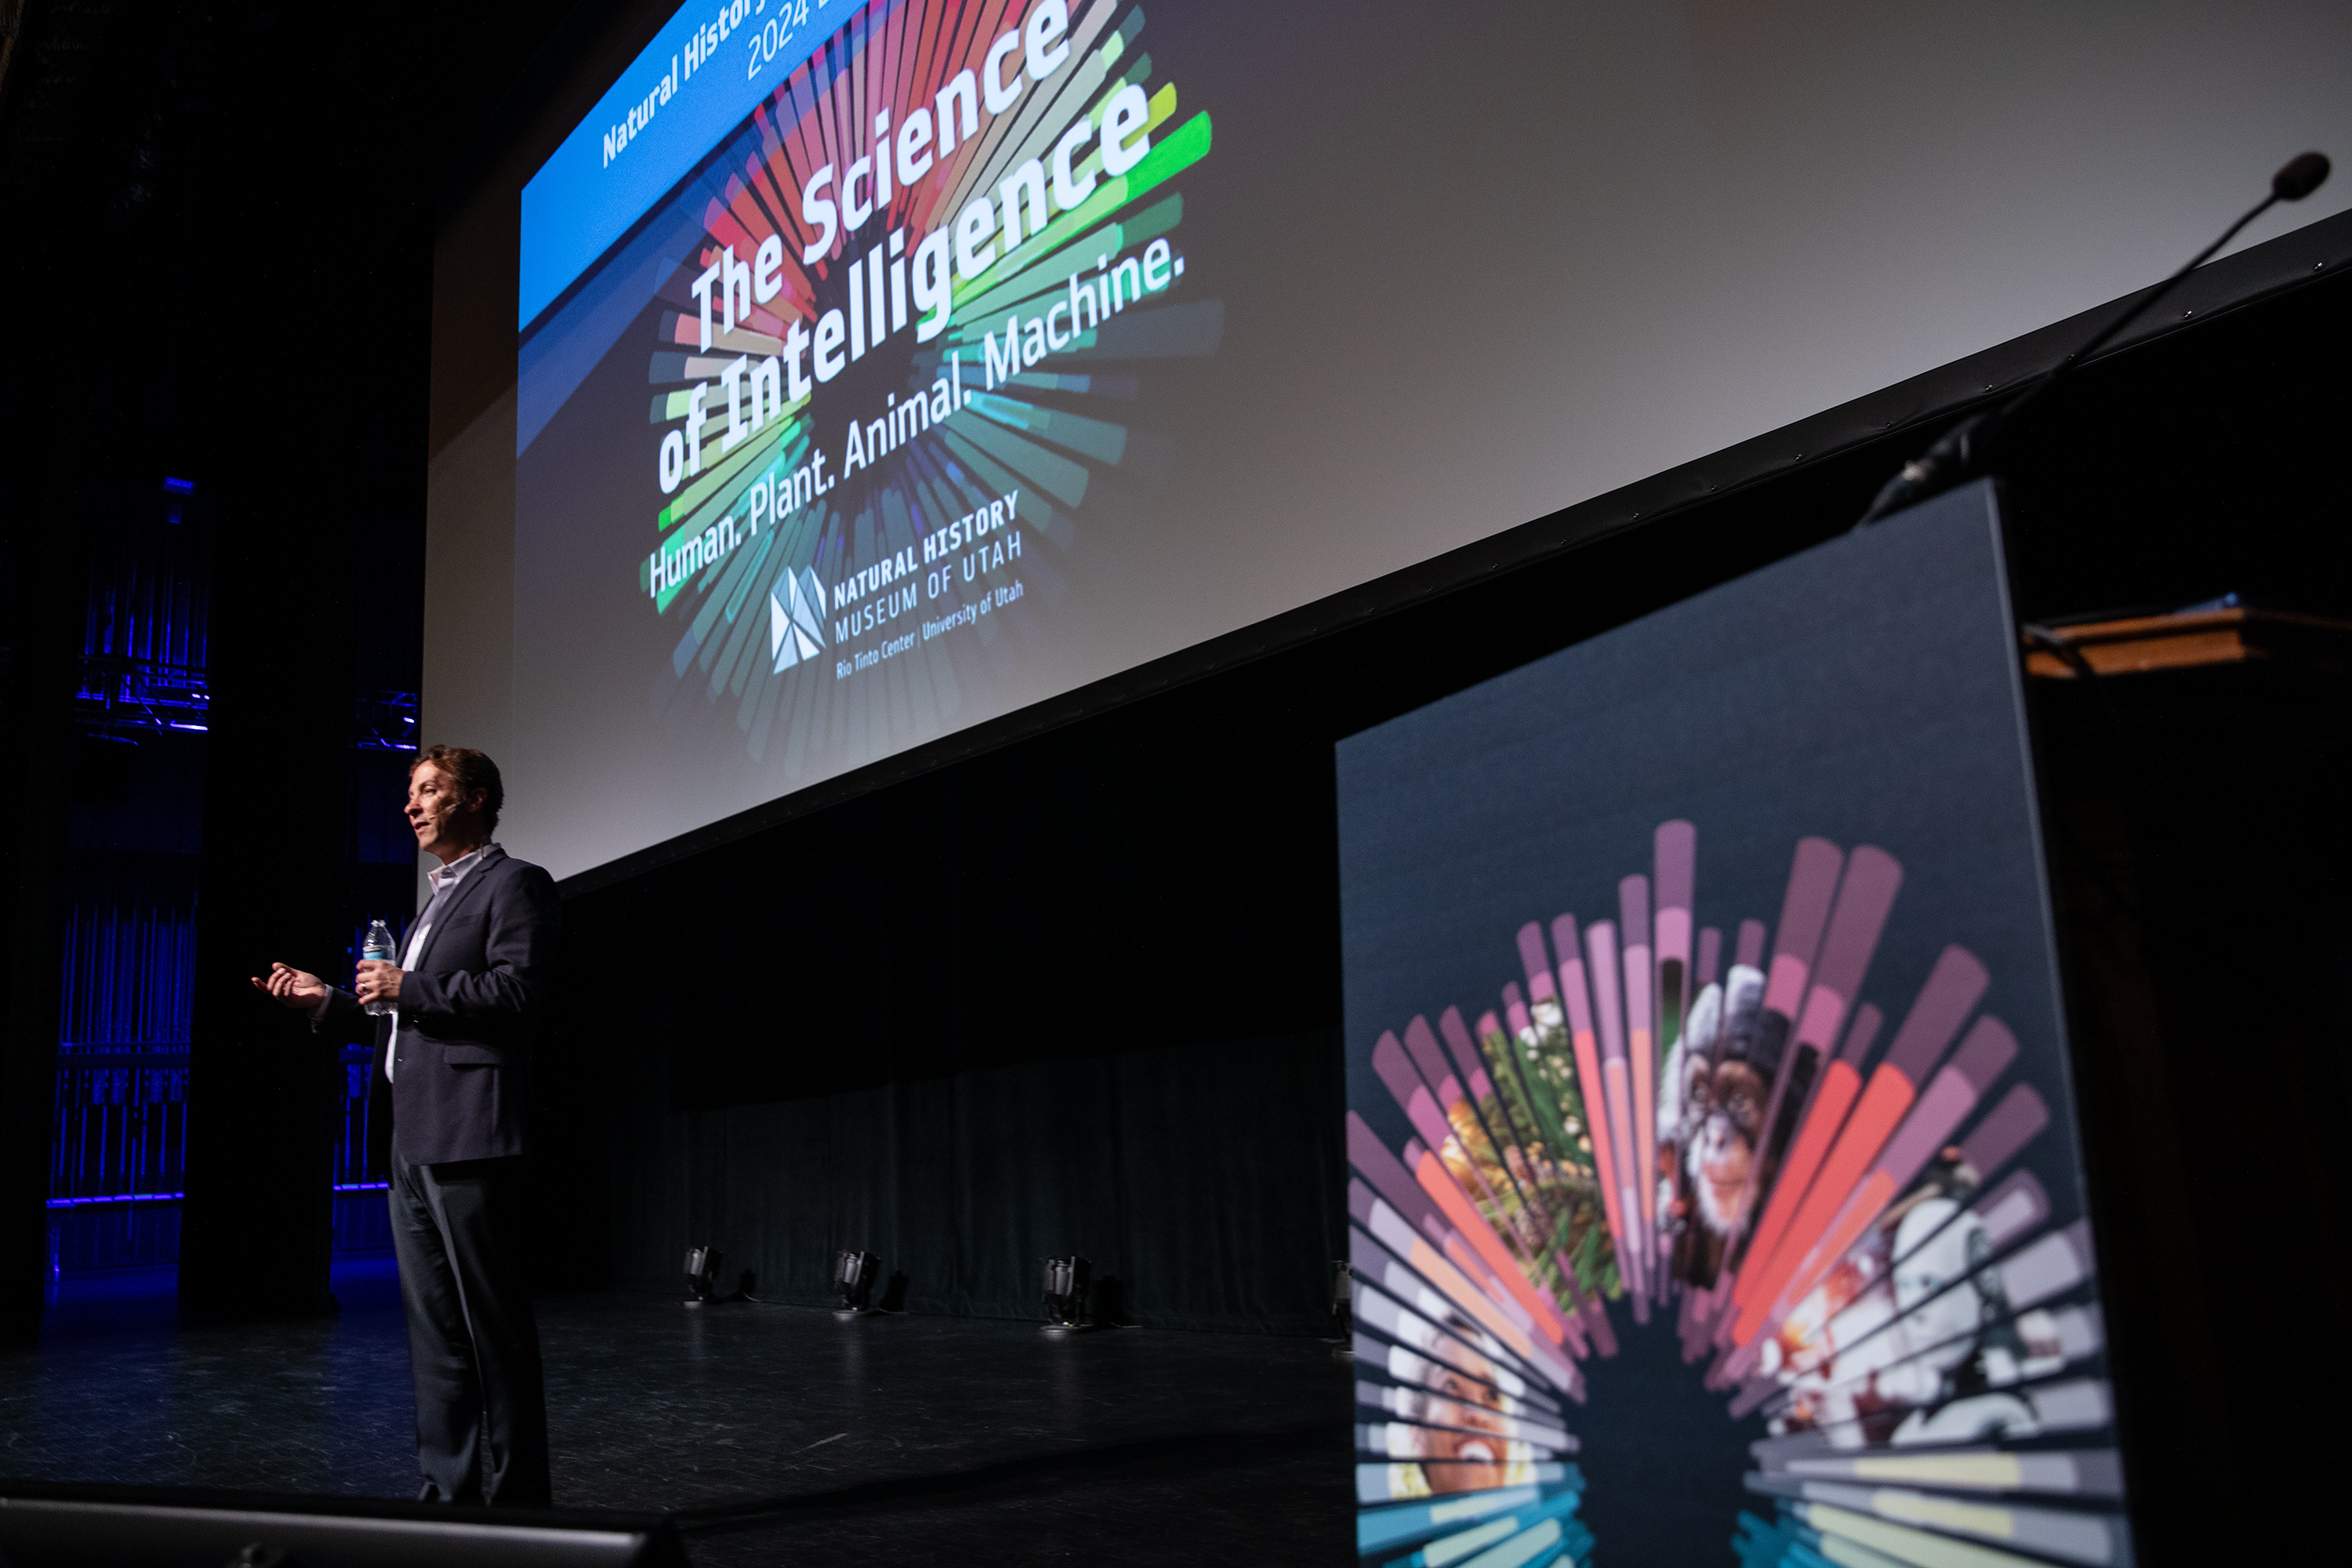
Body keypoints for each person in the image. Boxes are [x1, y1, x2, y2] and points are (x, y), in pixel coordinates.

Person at [251, 745, 561, 1506]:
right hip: (411, 1135)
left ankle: (519, 1500)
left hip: (472, 1130)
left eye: (429, 790)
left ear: (476, 799)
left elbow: (517, 994)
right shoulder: (430, 904)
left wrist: (408, 985)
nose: (410, 805)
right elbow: (403, 1016)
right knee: (435, 1332)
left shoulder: (515, 884)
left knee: (492, 1328)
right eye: (411, 792)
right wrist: (328, 1002)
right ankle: (447, 1490)